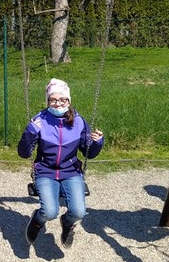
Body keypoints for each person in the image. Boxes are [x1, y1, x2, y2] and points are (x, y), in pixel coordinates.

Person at [17, 78, 104, 249]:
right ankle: (37, 221)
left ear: (69, 101)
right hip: (45, 171)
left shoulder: (78, 121)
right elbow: (23, 153)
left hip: (70, 171)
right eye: (53, 99)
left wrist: (97, 143)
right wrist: (30, 132)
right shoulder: (40, 120)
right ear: (48, 101)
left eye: (62, 99)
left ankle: (67, 222)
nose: (57, 103)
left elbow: (89, 153)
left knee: (79, 212)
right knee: (49, 212)